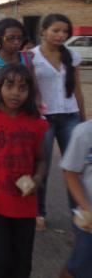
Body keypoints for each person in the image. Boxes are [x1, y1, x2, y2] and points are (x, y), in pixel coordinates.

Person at [0, 64, 47, 278]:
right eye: (10, 85)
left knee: (22, 265)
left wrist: (37, 179)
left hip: (24, 205)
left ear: (30, 92)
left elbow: (41, 160)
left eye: (22, 88)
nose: (15, 92)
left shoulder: (37, 124)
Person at [32, 14, 86, 231]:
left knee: (75, 167)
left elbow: (78, 91)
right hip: (43, 119)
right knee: (41, 167)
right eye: (56, 30)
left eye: (65, 31)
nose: (61, 35)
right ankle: (39, 213)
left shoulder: (71, 56)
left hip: (69, 116)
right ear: (44, 31)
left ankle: (79, 212)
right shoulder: (31, 57)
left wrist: (83, 120)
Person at [60, 119, 92, 278]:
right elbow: (70, 174)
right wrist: (87, 209)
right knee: (79, 269)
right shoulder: (84, 132)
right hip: (90, 220)